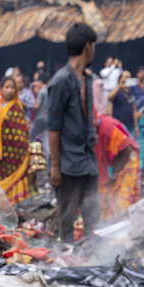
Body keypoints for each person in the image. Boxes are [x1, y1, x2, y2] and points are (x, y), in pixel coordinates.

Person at [47, 21, 99, 243]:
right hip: (68, 164)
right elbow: (53, 127)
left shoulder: (87, 79)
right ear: (87, 46)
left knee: (93, 218)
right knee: (67, 221)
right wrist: (56, 166)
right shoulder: (61, 81)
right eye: (94, 46)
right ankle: (66, 258)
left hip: (88, 160)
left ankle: (94, 256)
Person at [0, 76, 30, 204]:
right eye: (7, 87)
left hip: (16, 153)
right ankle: (2, 206)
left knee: (16, 178)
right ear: (1, 89)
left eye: (12, 87)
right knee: (2, 178)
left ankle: (14, 206)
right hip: (1, 152)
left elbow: (22, 131)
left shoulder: (17, 107)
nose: (9, 90)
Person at [95, 114, 140, 221]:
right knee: (105, 194)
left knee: (122, 199)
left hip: (127, 159)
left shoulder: (107, 128)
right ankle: (108, 221)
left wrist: (115, 174)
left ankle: (124, 224)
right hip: (114, 161)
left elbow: (126, 150)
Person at [106, 70, 137, 136]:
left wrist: (136, 126)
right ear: (120, 78)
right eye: (125, 77)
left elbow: (134, 109)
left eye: (129, 77)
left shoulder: (131, 91)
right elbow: (109, 98)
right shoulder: (117, 91)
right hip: (119, 124)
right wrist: (120, 85)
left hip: (130, 125)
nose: (127, 79)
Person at [28, 72, 49, 160]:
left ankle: (28, 155)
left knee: (30, 136)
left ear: (40, 81)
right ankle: (48, 159)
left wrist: (30, 103)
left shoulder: (42, 91)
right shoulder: (49, 91)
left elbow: (37, 106)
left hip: (40, 118)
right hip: (48, 118)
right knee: (45, 139)